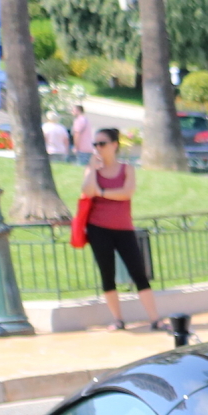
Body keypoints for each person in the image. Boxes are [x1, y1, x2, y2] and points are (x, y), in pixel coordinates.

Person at [78, 128, 164, 332]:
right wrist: (91, 169)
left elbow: (126, 193)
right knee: (107, 274)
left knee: (139, 273)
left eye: (102, 144)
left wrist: (102, 192)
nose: (98, 148)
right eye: (95, 144)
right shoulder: (93, 170)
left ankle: (155, 319)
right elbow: (86, 192)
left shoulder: (127, 169)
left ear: (114, 145)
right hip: (98, 229)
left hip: (124, 229)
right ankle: (118, 320)